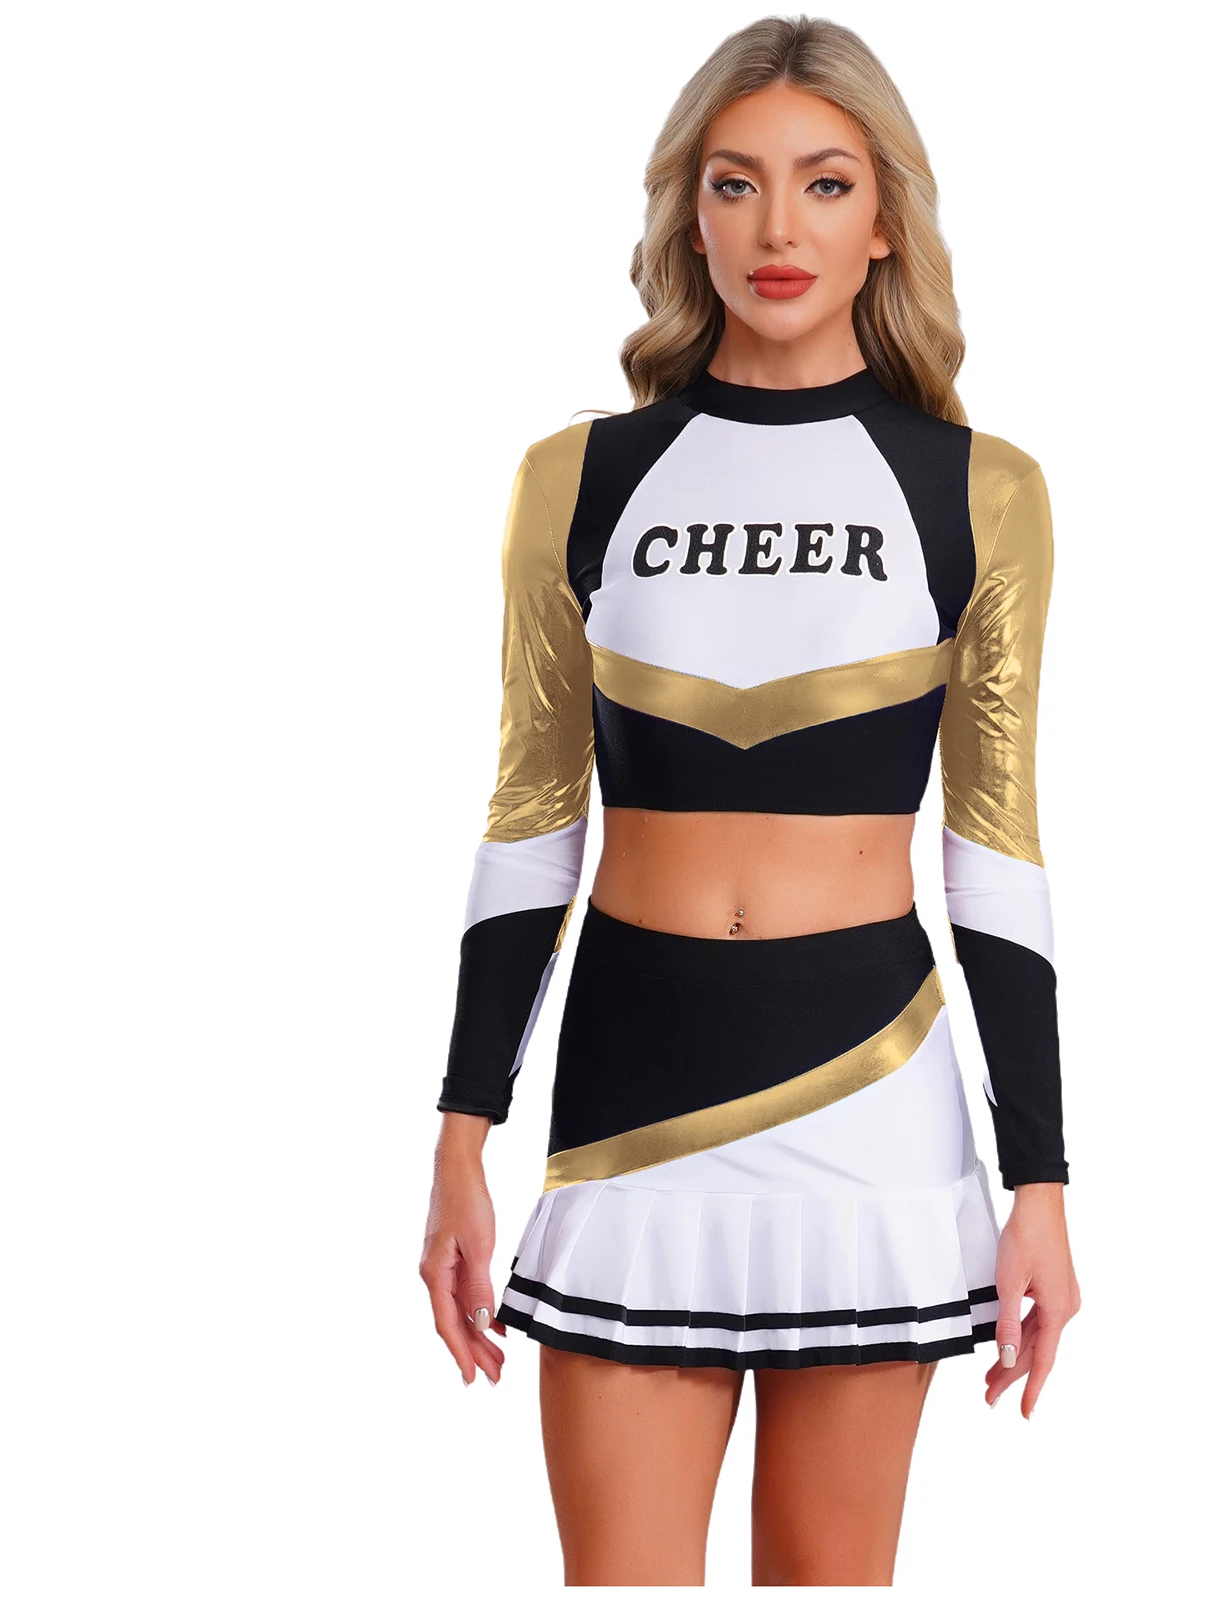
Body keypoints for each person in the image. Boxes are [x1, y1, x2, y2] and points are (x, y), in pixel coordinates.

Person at [419, 15, 1081, 1586]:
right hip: (632, 1100)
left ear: (885, 221)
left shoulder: (978, 490)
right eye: (737, 183)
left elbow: (995, 853)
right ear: (689, 214)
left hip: (874, 1101)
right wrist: (460, 1134)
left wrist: (1043, 1182)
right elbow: (531, 820)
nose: (780, 226)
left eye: (826, 183)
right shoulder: (576, 477)